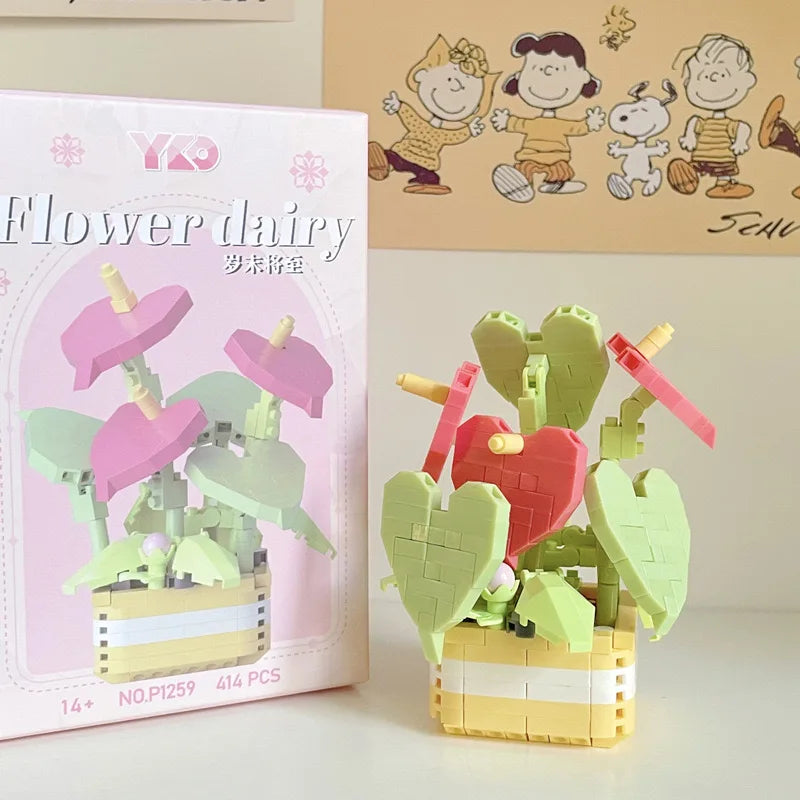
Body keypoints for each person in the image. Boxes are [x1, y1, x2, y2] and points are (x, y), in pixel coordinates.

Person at [368, 35, 499, 195]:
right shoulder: (420, 126)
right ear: (422, 75)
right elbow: (411, 118)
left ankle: (426, 182)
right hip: (403, 153)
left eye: (464, 88)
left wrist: (469, 130)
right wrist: (399, 106)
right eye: (449, 78)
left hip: (424, 162)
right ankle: (381, 164)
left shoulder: (441, 134)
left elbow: (454, 136)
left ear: (476, 107)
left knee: (429, 174)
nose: (454, 87)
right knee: (392, 157)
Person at [491, 31, 605, 203]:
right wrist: (505, 121)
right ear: (519, 77)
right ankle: (519, 185)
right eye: (536, 69)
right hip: (530, 156)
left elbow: (577, 128)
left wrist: (590, 123)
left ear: (584, 78)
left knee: (560, 170)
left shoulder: (561, 124)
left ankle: (556, 184)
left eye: (560, 70)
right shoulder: (534, 123)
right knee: (525, 168)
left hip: (556, 157)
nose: (549, 74)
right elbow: (519, 123)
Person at [667, 34, 757, 199]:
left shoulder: (728, 124)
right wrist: (689, 137)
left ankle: (723, 185)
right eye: (702, 76)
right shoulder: (702, 122)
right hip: (700, 157)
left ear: (746, 80)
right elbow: (694, 122)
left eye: (723, 75)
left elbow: (743, 128)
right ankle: (686, 176)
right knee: (693, 167)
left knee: (724, 172)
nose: (713, 79)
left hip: (724, 158)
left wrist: (740, 142)